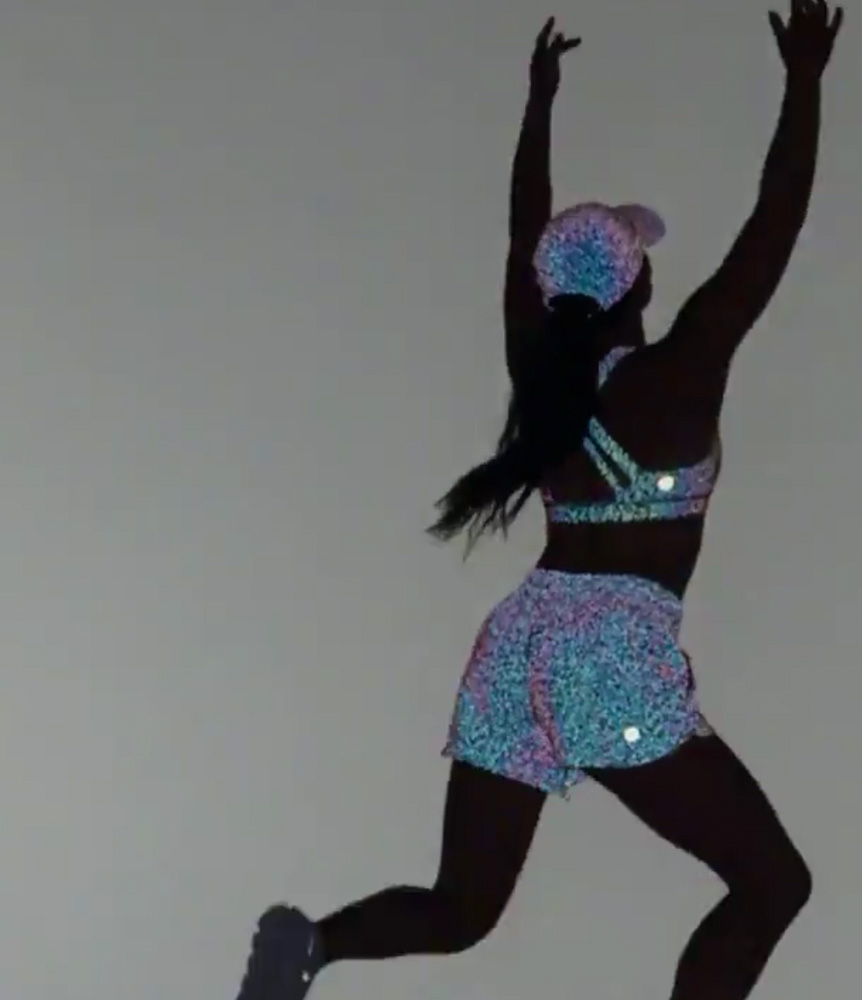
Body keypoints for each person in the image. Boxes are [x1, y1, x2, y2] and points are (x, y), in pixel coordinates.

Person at [233, 3, 843, 999]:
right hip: (608, 659)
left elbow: (524, 233)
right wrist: (806, 81)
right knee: (772, 883)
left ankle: (311, 946)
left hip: (517, 653)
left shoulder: (541, 373)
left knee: (462, 909)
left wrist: (539, 102)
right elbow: (770, 230)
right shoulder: (675, 377)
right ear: (638, 288)